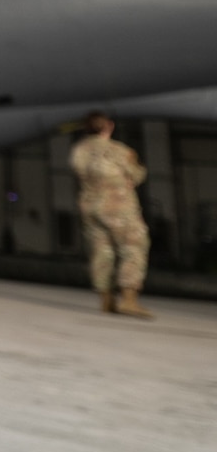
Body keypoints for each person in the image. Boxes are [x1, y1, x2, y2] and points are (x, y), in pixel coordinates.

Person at [70, 112, 154, 319]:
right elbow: (137, 175)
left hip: (89, 205)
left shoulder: (79, 150)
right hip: (118, 205)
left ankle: (106, 300)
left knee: (101, 251)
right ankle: (128, 299)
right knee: (133, 246)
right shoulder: (118, 150)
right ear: (109, 126)